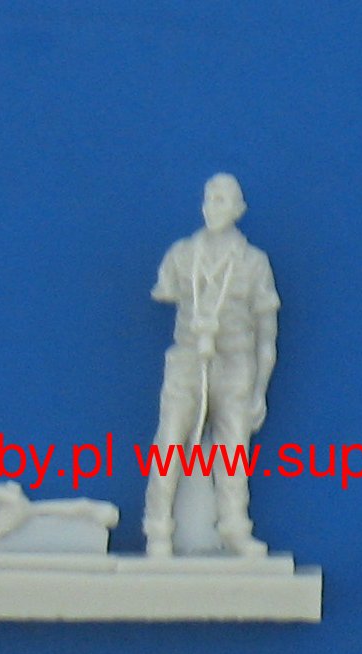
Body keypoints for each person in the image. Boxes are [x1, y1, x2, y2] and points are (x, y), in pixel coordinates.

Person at [143, 174, 280, 557]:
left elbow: (267, 336)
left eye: (221, 200)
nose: (211, 207)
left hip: (236, 364)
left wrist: (259, 391)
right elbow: (166, 291)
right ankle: (157, 528)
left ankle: (234, 526)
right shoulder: (182, 255)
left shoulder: (253, 263)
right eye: (208, 198)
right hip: (187, 361)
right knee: (169, 441)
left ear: (238, 209)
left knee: (232, 450)